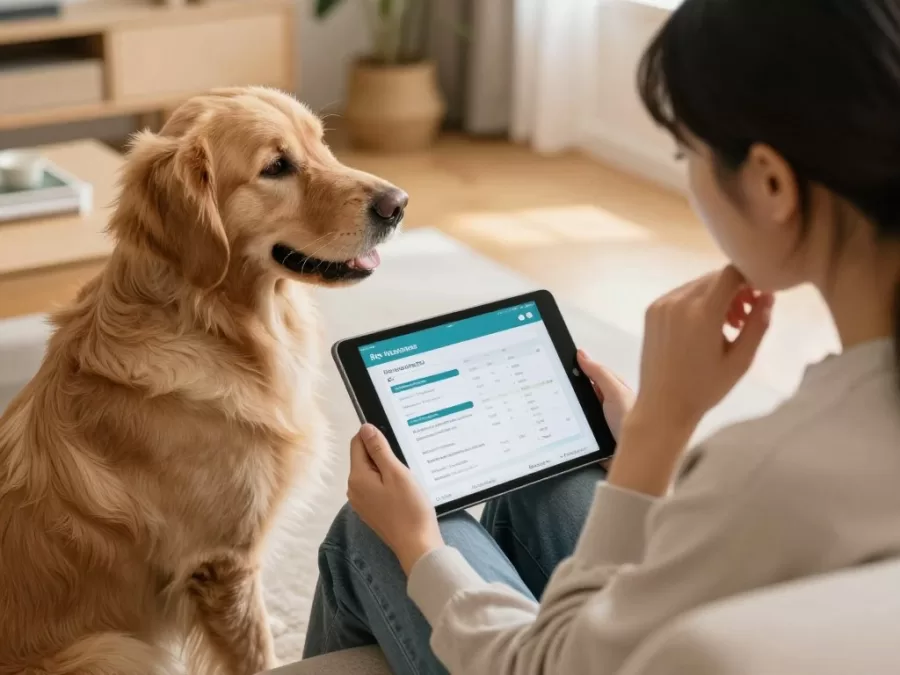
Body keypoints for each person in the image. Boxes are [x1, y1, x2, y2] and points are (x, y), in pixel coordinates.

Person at [303, 1, 900, 673]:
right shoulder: (820, 456)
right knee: (552, 480)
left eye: (687, 152)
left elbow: (544, 666)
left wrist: (418, 543)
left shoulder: (771, 470)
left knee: (374, 527)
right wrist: (643, 450)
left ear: (770, 183)